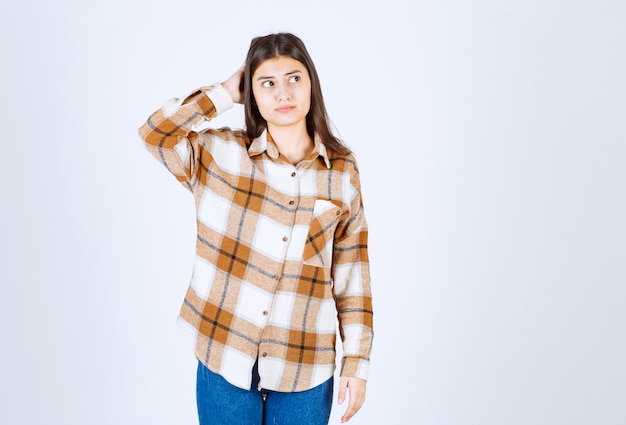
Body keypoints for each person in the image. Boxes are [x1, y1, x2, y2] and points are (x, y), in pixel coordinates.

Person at [138, 33, 373, 425]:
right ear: (252, 92)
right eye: (267, 82)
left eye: (294, 78)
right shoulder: (220, 155)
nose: (283, 92)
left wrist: (357, 362)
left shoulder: (342, 172)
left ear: (312, 83)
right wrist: (226, 92)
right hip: (224, 357)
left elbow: (353, 276)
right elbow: (155, 135)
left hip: (305, 368)